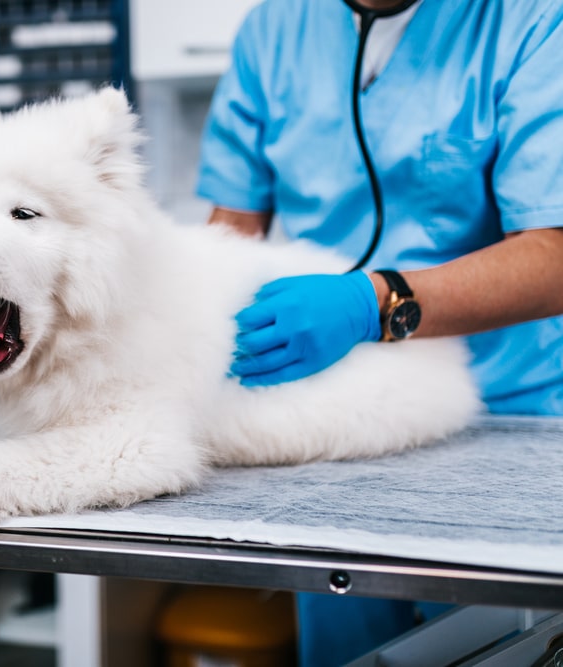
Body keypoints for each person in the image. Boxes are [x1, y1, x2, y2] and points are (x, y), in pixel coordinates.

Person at [196, 0, 563, 663]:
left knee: (504, 640)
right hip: (333, 427)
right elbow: (227, 234)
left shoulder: (532, 20)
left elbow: (553, 253)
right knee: (347, 642)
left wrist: (374, 301)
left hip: (506, 416)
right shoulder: (275, 29)